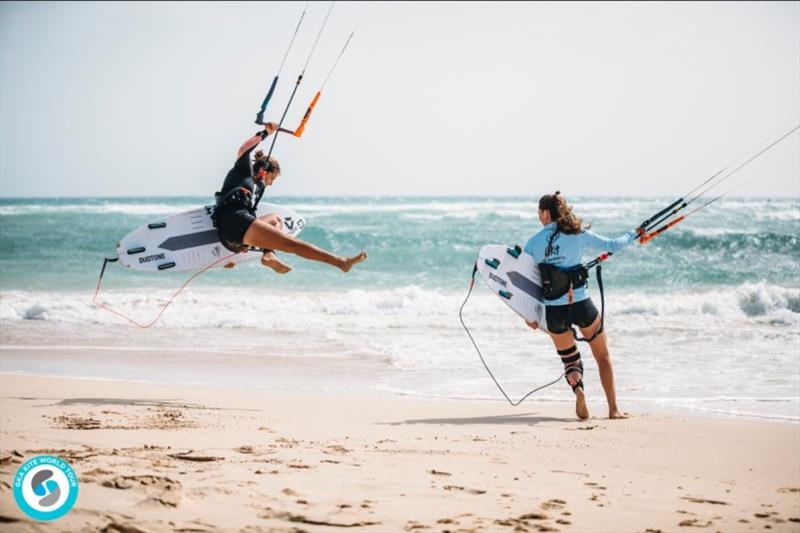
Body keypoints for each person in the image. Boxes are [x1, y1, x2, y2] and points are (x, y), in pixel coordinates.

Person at [523, 192, 637, 421]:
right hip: (581, 304)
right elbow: (613, 245)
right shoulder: (578, 236)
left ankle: (579, 389)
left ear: (545, 213)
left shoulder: (533, 243)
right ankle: (613, 409)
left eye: (539, 213)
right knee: (602, 356)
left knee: (570, 360)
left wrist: (529, 315)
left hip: (554, 311)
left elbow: (526, 283)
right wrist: (634, 233)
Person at [213, 122, 367, 274]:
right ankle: (341, 262)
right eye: (272, 178)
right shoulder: (244, 170)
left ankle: (268, 254)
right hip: (234, 222)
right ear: (263, 170)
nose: (271, 184)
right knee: (290, 244)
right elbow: (243, 149)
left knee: (275, 220)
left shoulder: (255, 190)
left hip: (233, 238)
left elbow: (252, 222)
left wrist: (230, 258)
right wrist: (265, 132)